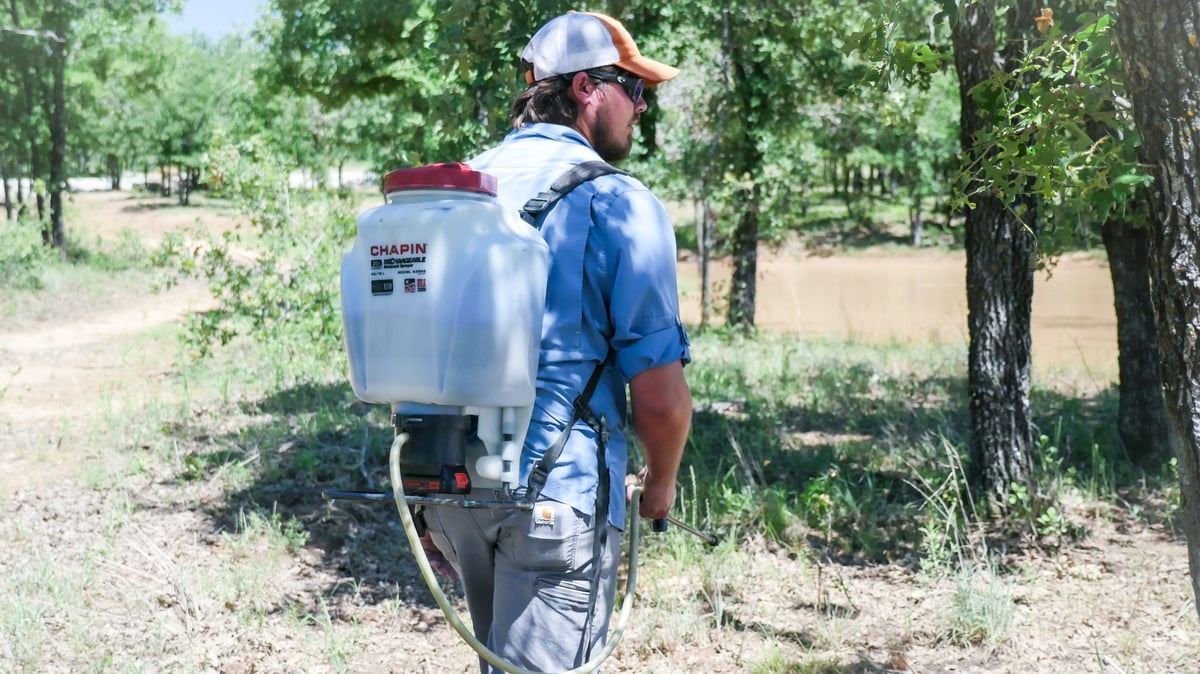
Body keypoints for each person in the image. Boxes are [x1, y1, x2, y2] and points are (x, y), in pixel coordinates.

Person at [418, 10, 693, 674]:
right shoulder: (620, 204)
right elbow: (659, 400)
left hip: (450, 490)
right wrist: (660, 486)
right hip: (554, 501)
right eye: (634, 90)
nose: (641, 109)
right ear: (584, 89)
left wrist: (428, 504)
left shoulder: (457, 191)